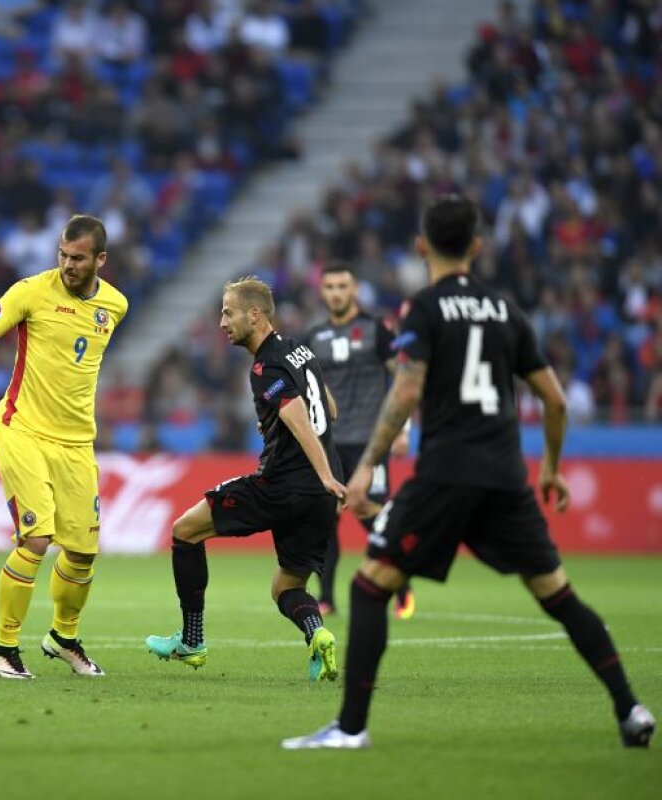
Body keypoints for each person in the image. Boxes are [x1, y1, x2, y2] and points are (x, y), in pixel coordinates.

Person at [283, 195, 655, 749]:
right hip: (507, 474)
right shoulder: (507, 310)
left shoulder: (424, 309)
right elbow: (554, 400)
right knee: (559, 594)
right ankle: (630, 709)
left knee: (369, 588)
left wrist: (363, 469)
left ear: (421, 245)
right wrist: (550, 469)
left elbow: (406, 388)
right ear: (477, 248)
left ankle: (351, 729)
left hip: (447, 475)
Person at [145, 277, 348, 682]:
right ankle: (318, 633)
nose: (222, 322)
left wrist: (321, 470)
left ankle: (192, 639)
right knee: (286, 590)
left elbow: (296, 414)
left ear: (254, 315)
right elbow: (330, 409)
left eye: (228, 312)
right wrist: (279, 430)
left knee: (185, 531)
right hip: (320, 497)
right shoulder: (300, 350)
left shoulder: (264, 365)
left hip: (285, 485)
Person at [0, 214, 129, 679]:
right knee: (36, 538)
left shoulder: (115, 305)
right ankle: (4, 651)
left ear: (100, 259)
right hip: (22, 429)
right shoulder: (30, 291)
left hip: (77, 443)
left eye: (77, 258)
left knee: (82, 552)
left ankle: (63, 637)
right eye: (62, 255)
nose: (67, 265)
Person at [305, 263, 414, 619]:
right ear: (322, 292)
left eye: (342, 286)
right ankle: (326, 598)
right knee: (325, 520)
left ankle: (401, 586)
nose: (336, 292)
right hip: (329, 444)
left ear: (354, 290)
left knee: (374, 519)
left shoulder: (377, 330)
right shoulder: (313, 337)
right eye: (330, 287)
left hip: (371, 443)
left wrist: (403, 429)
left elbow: (403, 379)